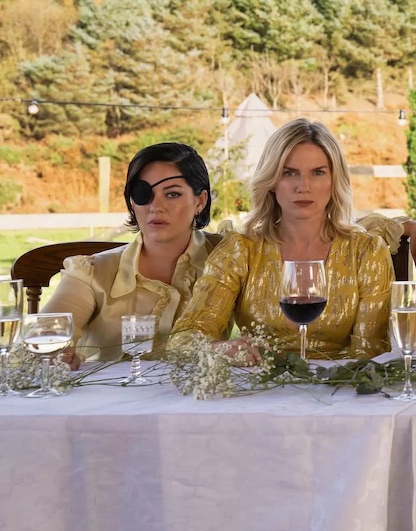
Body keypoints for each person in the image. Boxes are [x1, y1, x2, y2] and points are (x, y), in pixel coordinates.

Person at [170, 118, 393, 361]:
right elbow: (185, 338)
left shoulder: (366, 252)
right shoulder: (241, 249)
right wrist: (220, 349)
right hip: (259, 390)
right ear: (272, 181)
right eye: (289, 173)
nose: (303, 186)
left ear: (334, 180)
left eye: (318, 172)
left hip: (338, 389)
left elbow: (371, 352)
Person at [42, 143, 218, 367]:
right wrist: (56, 354)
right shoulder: (92, 274)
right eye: (144, 194)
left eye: (172, 194)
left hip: (202, 399)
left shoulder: (229, 259)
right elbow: (44, 338)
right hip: (108, 398)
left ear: (200, 201)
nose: (156, 206)